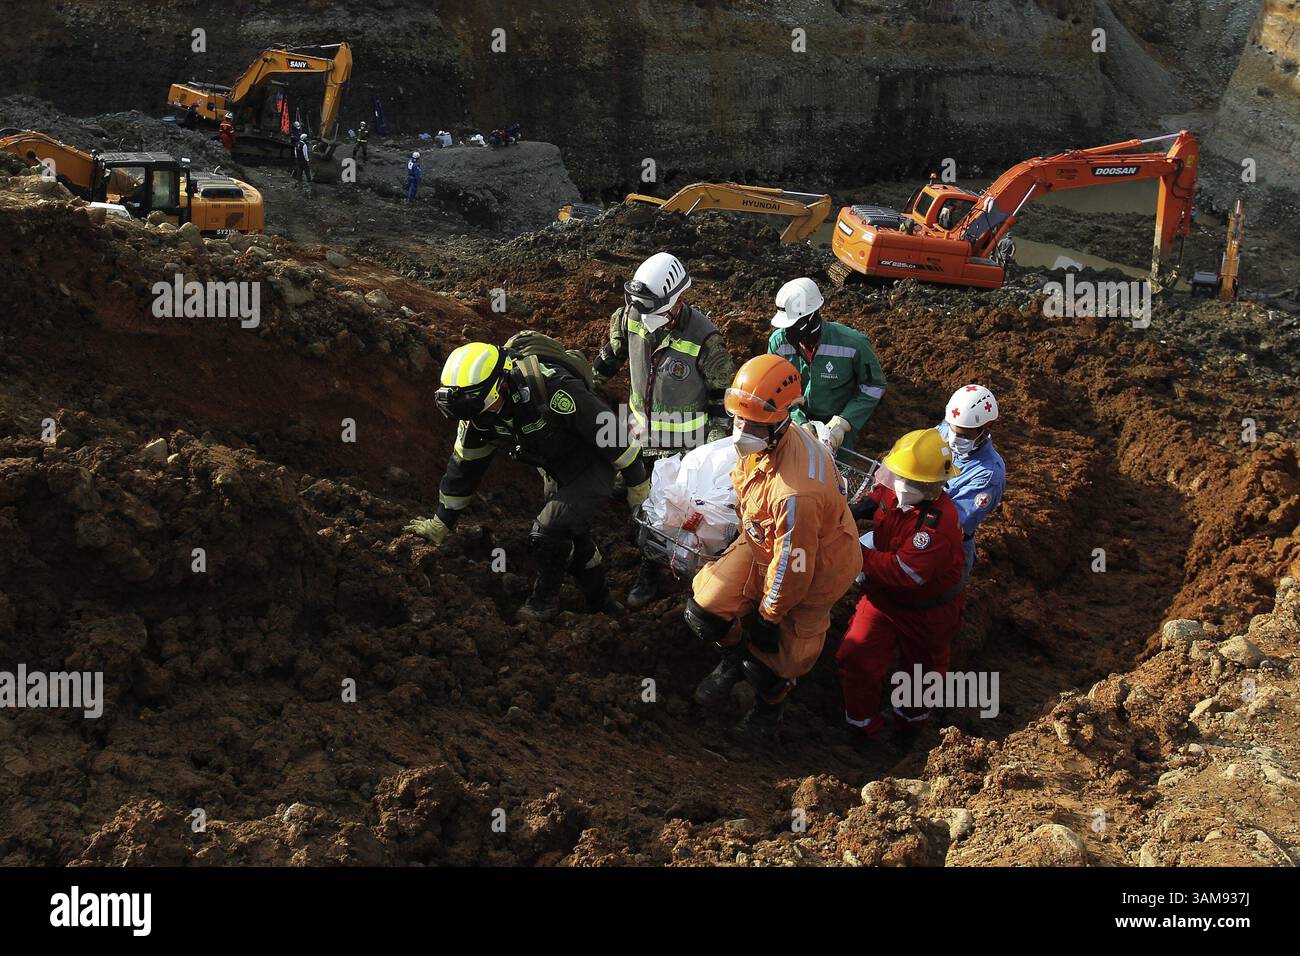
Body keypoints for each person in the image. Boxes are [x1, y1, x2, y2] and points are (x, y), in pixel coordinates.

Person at [406, 338, 651, 623]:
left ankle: (542, 602)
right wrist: (442, 522)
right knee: (572, 537)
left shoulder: (553, 389)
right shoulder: (477, 417)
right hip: (554, 467)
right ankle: (604, 606)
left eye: (480, 409)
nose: (476, 420)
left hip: (592, 464)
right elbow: (464, 468)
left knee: (548, 530)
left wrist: (637, 484)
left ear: (501, 386)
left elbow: (614, 435)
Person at [685, 354, 862, 747]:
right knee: (705, 609)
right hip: (765, 541)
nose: (741, 431)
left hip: (815, 570)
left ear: (780, 421)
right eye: (738, 420)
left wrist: (768, 617)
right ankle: (732, 658)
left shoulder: (796, 491)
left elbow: (793, 565)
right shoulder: (764, 443)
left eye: (752, 424)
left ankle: (768, 707)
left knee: (775, 663)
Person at [592, 252, 735, 608]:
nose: (646, 320)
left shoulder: (706, 339)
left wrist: (713, 454)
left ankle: (649, 574)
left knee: (663, 516)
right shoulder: (630, 316)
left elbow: (722, 400)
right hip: (639, 435)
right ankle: (632, 523)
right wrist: (586, 386)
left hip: (682, 449)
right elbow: (609, 357)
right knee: (630, 491)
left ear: (678, 301)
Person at [835, 428, 965, 742]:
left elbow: (904, 572)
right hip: (882, 599)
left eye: (910, 482)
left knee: (920, 677)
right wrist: (857, 510)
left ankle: (909, 729)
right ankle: (862, 728)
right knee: (856, 657)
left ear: (933, 485)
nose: (900, 487)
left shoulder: (938, 525)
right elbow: (878, 499)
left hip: (927, 612)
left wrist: (853, 550)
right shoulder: (895, 485)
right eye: (899, 478)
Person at [767, 277, 887, 458]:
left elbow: (873, 386)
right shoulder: (778, 343)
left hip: (838, 421)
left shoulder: (853, 344)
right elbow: (775, 390)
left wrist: (844, 422)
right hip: (795, 419)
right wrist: (798, 420)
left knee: (836, 471)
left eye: (794, 324)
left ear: (812, 315)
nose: (788, 332)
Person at [935, 385, 1006, 583]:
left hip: (944, 549)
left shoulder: (988, 475)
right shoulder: (943, 432)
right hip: (910, 524)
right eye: (953, 431)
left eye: (965, 435)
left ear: (986, 429)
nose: (954, 440)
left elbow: (953, 523)